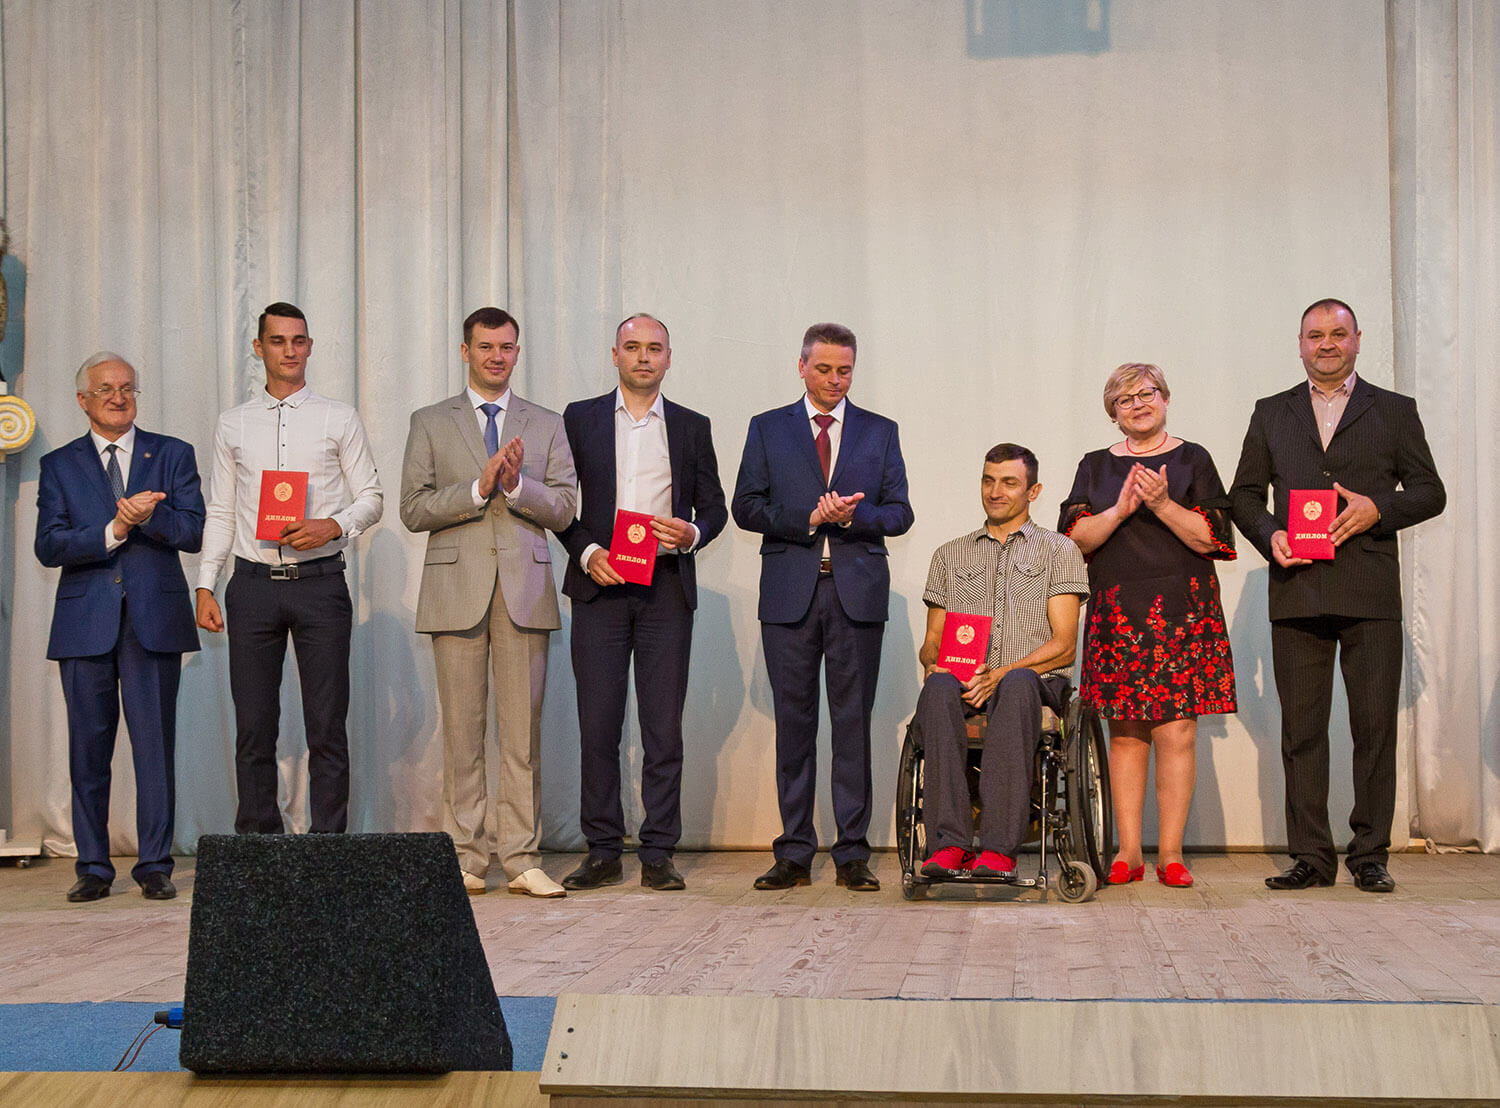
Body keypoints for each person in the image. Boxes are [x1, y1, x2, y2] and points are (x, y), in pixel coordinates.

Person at [1230, 298, 1445, 893]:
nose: (1326, 344)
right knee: (1302, 732)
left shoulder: (1395, 410)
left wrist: (1380, 508)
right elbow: (1243, 495)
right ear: (1300, 344)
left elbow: (1430, 491)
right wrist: (1270, 535)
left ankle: (1370, 855)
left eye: (1338, 334)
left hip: (1369, 592)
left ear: (1357, 339)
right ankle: (1311, 857)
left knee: (1374, 729)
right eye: (1315, 335)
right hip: (1297, 588)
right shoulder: (1271, 412)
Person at [400, 306, 577, 899]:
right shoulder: (430, 421)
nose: (496, 357)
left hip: (525, 591)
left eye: (506, 347)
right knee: (462, 733)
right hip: (455, 592)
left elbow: (565, 509)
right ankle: (466, 858)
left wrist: (517, 486)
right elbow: (412, 508)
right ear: (465, 351)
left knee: (522, 735)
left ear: (517, 352)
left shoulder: (546, 423)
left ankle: (522, 858)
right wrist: (478, 489)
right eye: (485, 347)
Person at [731, 322, 913, 891]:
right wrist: (810, 518)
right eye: (825, 369)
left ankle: (852, 853)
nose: (835, 380)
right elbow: (745, 506)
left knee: (852, 725)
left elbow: (900, 512)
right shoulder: (768, 428)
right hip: (790, 595)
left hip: (856, 594)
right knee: (795, 725)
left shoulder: (880, 431)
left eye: (845, 370)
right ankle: (793, 852)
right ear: (802, 366)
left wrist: (854, 516)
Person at [196, 302, 383, 836]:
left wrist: (332, 525)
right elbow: (222, 510)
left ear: (310, 346)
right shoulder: (233, 423)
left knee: (327, 726)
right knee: (254, 728)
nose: (289, 350)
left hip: (320, 585)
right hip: (252, 586)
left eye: (299, 340)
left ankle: (327, 848)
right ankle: (259, 846)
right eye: (277, 341)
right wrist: (205, 584)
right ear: (259, 348)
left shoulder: (338, 417)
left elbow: (372, 497)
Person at [555, 315, 727, 892]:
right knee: (598, 726)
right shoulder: (579, 418)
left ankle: (658, 852)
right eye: (633, 347)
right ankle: (602, 850)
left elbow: (716, 508)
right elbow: (558, 503)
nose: (643, 357)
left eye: (654, 348)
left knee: (662, 729)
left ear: (669, 357)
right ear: (615, 355)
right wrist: (586, 552)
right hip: (599, 587)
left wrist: (692, 533)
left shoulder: (692, 426)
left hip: (665, 589)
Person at [1059, 364, 1237, 889]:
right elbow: (1072, 541)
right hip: (1119, 613)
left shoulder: (1193, 458)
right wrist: (1120, 510)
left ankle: (1172, 854)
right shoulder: (1094, 465)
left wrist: (1161, 504)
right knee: (1125, 734)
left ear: (1165, 398)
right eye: (1125, 398)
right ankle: (1129, 852)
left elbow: (1214, 537)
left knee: (1177, 731)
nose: (1138, 404)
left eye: (1147, 393)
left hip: (1183, 612)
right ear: (1113, 413)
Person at [37, 353, 204, 902]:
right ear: (82, 400)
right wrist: (113, 529)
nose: (118, 397)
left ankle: (154, 864)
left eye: (127, 388)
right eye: (106, 389)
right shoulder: (59, 465)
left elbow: (193, 531)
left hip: (153, 622)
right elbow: (49, 545)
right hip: (84, 623)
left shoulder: (172, 453)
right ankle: (92, 866)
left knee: (154, 749)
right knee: (88, 751)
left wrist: (150, 517)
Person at [915, 444, 1089, 881]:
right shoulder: (949, 555)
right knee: (936, 688)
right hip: (965, 679)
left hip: (1035, 683)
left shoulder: (1059, 551)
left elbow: (1065, 645)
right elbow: (932, 642)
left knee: (1016, 685)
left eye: (1009, 483)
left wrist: (1002, 673)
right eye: (988, 481)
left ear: (1033, 491)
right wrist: (934, 663)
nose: (996, 491)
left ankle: (997, 849)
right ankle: (948, 844)